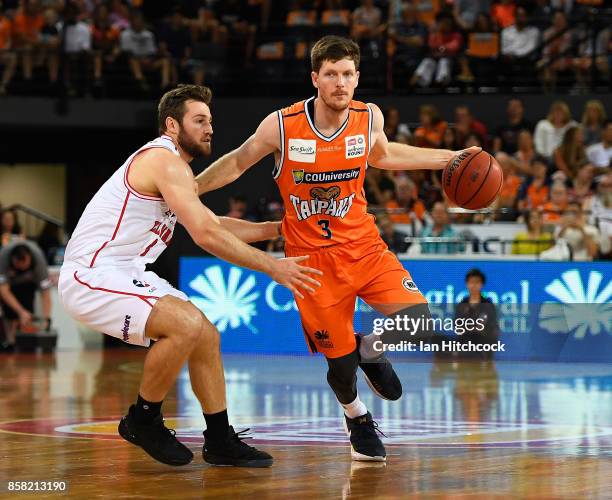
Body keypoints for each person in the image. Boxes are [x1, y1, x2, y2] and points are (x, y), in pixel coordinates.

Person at [194, 36, 476, 462]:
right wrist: (188, 189)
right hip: (311, 264)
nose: (340, 83)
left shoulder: (369, 117)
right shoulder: (283, 126)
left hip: (364, 247)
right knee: (341, 371)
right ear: (315, 78)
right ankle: (357, 417)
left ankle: (371, 348)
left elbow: (383, 155)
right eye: (331, 74)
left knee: (418, 321)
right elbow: (236, 161)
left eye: (347, 74)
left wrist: (449, 157)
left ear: (357, 77)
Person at [58, 85, 322, 468]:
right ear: (171, 124)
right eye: (199, 121)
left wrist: (273, 229)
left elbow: (211, 222)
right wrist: (273, 267)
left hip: (126, 273)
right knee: (183, 325)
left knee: (206, 335)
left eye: (211, 121)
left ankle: (219, 440)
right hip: (91, 274)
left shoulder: (176, 171)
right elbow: (206, 235)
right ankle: (142, 418)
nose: (209, 128)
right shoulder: (163, 161)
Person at [0, 241, 52, 352]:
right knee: (10, 313)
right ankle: (10, 341)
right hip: (10, 284)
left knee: (28, 313)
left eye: (25, 265)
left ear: (29, 258)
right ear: (13, 260)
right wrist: (20, 312)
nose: (23, 268)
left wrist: (46, 318)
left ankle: (26, 340)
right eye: (19, 266)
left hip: (29, 285)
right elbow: (3, 290)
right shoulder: (3, 257)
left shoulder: (39, 260)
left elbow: (45, 292)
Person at [453, 268, 498, 359]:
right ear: (467, 284)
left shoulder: (488, 304)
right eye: (471, 282)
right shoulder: (462, 304)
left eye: (477, 282)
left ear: (482, 284)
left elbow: (492, 326)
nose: (474, 285)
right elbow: (457, 326)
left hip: (482, 344)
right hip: (465, 344)